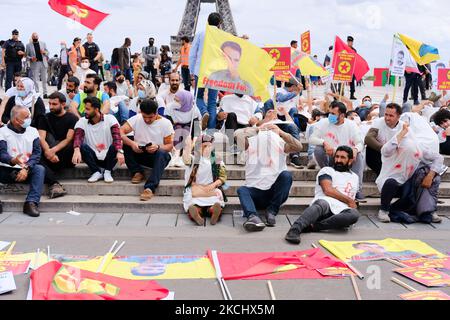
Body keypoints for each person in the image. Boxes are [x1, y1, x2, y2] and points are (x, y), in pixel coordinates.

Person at [285, 146, 360, 244]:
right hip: (325, 206)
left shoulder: (355, 177)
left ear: (350, 160)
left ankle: (313, 227)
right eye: (337, 157)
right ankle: (295, 229)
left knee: (354, 214)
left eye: (342, 157)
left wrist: (354, 203)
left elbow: (352, 196)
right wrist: (349, 201)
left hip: (342, 211)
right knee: (322, 203)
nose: (338, 160)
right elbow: (328, 190)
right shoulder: (327, 170)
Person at [376, 117, 443, 224]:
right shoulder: (394, 143)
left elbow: (439, 158)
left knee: (430, 175)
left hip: (410, 182)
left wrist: (430, 175)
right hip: (392, 180)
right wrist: (402, 133)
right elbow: (386, 151)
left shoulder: (418, 146)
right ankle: (384, 211)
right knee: (390, 182)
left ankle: (429, 211)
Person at [236, 123, 302, 232]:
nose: (267, 132)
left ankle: (271, 211)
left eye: (270, 129)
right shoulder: (249, 144)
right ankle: (253, 217)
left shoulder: (281, 144)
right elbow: (237, 134)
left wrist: (281, 132)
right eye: (265, 129)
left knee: (286, 175)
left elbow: (298, 146)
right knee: (242, 190)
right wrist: (257, 129)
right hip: (255, 193)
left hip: (274, 192)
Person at [118, 99, 174, 201]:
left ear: (156, 113)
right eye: (144, 117)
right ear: (141, 112)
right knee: (127, 142)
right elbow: (120, 132)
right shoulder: (137, 118)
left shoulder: (166, 123)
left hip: (158, 156)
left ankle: (149, 187)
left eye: (150, 117)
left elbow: (170, 146)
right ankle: (136, 172)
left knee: (161, 152)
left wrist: (157, 147)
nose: (147, 120)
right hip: (140, 152)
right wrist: (132, 143)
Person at [310, 101, 365, 200]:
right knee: (318, 149)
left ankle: (357, 189)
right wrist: (324, 143)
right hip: (330, 155)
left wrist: (355, 150)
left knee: (359, 155)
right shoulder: (323, 122)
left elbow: (360, 143)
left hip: (346, 157)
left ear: (342, 115)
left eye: (333, 114)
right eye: (329, 113)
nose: (330, 116)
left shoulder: (351, 125)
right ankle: (327, 176)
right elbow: (312, 139)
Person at [0, 106, 45, 217]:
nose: (29, 119)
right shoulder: (2, 132)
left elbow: (36, 153)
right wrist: (12, 160)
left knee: (39, 169)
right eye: (26, 117)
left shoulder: (33, 131)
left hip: (26, 170)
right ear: (16, 120)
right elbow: (2, 153)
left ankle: (31, 203)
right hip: (5, 169)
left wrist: (26, 167)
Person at [72, 97, 124, 183]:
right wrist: (76, 150)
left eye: (88, 109)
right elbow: (78, 137)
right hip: (93, 159)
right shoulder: (82, 121)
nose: (85, 111)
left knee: (116, 145)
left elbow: (117, 137)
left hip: (110, 158)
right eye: (85, 108)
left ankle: (108, 171)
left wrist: (119, 151)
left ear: (96, 109)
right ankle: (96, 172)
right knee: (81, 146)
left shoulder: (110, 119)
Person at [37, 92, 78, 199]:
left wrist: (52, 151)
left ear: (63, 104)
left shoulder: (72, 118)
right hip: (49, 155)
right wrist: (48, 151)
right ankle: (54, 183)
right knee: (36, 151)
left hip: (65, 155)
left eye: (54, 104)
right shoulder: (45, 118)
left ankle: (52, 180)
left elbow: (69, 138)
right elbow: (41, 137)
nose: (51, 107)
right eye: (49, 104)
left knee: (70, 144)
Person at [181, 134, 227, 226]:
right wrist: (188, 147)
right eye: (204, 146)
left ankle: (214, 211)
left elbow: (223, 177)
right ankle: (196, 213)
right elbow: (186, 160)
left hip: (210, 187)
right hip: (196, 187)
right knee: (192, 199)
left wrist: (213, 185)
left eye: (209, 146)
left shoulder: (217, 159)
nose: (207, 148)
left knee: (217, 196)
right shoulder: (194, 159)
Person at [190, 12, 222, 131]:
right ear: (219, 24)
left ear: (208, 22)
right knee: (213, 102)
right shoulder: (222, 36)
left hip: (201, 70)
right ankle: (211, 130)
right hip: (216, 72)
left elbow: (193, 54)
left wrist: (192, 70)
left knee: (198, 97)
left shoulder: (200, 34)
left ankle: (203, 112)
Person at [365, 103, 404, 176]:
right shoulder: (378, 122)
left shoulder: (403, 126)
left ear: (398, 117)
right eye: (386, 114)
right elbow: (368, 138)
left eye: (391, 116)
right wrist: (384, 148)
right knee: (370, 149)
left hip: (396, 155)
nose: (387, 118)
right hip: (380, 153)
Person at [165, 90, 201, 167]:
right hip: (174, 128)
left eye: (178, 101)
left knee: (186, 131)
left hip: (189, 130)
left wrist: (194, 142)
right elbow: (167, 124)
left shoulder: (194, 109)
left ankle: (184, 155)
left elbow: (196, 127)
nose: (175, 102)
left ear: (185, 101)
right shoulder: (170, 107)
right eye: (174, 99)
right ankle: (176, 154)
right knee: (178, 129)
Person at [26, 33, 49, 97]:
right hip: (34, 63)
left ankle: (45, 93)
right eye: (34, 36)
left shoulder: (43, 43)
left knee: (44, 79)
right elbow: (26, 56)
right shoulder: (28, 45)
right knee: (35, 79)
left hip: (43, 63)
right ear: (32, 37)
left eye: (36, 36)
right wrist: (31, 58)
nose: (35, 37)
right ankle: (37, 92)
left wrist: (44, 52)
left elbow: (47, 53)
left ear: (38, 37)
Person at [347, 36, 357, 100]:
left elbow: (355, 59)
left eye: (351, 42)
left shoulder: (354, 50)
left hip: (351, 68)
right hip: (343, 67)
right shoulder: (344, 48)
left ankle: (352, 95)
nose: (350, 43)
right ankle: (339, 94)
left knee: (352, 82)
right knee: (340, 80)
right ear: (347, 42)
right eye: (349, 41)